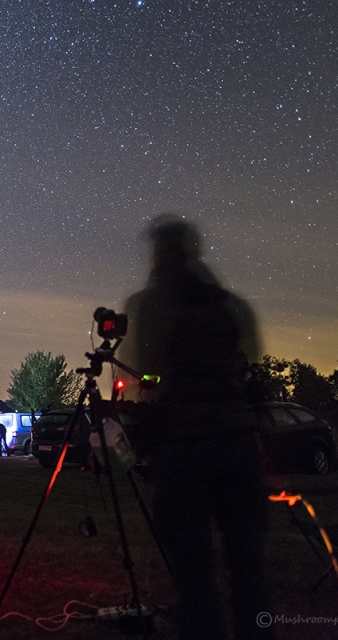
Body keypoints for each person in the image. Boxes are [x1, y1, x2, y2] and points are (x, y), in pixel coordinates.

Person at [122, 214, 271, 640]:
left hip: (186, 452)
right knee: (249, 577)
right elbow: (251, 368)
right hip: (239, 449)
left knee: (195, 579)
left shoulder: (152, 306)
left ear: (161, 253)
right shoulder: (231, 305)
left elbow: (147, 379)